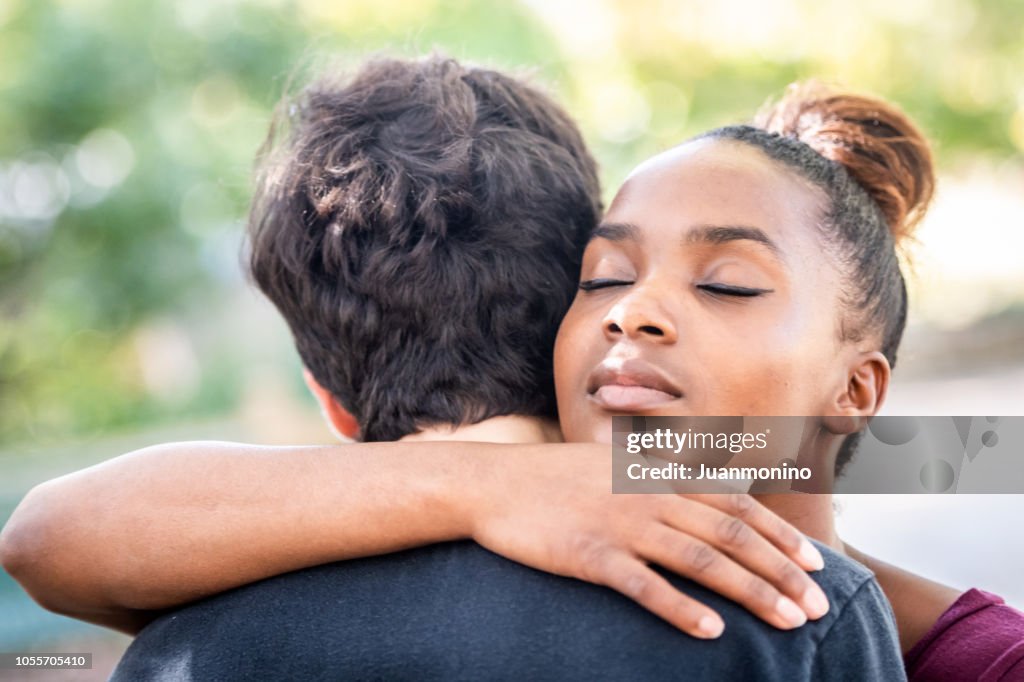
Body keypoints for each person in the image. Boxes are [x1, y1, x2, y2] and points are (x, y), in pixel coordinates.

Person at [10, 58, 1021, 677]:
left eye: (727, 284)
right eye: (601, 276)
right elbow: (48, 537)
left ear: (859, 389)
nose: (636, 310)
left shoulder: (937, 646)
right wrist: (499, 480)